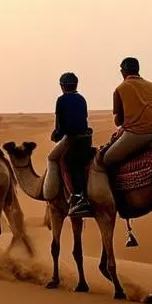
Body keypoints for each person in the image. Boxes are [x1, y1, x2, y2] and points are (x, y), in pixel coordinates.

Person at [100, 56, 152, 170]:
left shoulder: (120, 88)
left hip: (137, 134)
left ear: (122, 72)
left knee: (107, 159)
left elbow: (118, 121)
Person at [45, 72, 93, 217]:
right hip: (86, 139)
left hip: (72, 139)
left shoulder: (61, 100)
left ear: (62, 86)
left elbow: (61, 126)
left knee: (59, 160)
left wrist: (55, 135)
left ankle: (74, 195)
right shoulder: (81, 99)